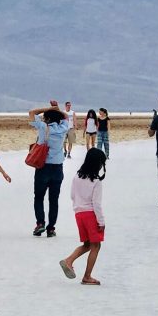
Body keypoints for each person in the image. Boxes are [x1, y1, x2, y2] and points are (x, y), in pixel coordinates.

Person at [59, 148, 107, 285]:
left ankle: (69, 261)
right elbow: (96, 204)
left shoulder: (76, 177)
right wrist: (101, 222)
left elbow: (72, 196)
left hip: (78, 214)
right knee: (96, 246)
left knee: (87, 244)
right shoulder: (96, 182)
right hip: (90, 214)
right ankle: (87, 276)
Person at [29, 101, 69, 237]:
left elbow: (32, 112)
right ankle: (51, 228)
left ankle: (40, 223)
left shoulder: (42, 127)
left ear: (47, 118)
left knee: (39, 197)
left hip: (43, 166)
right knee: (54, 200)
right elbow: (65, 117)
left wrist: (49, 108)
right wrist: (57, 109)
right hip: (58, 168)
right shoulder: (63, 127)